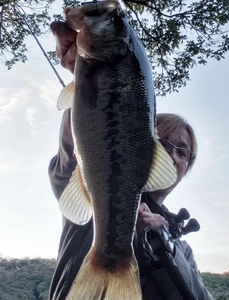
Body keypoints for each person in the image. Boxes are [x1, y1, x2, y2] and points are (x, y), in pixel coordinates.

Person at [48, 20, 213, 300]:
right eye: (162, 143)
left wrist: (164, 245)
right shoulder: (93, 203)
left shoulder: (181, 249)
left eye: (183, 151)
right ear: (140, 143)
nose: (172, 155)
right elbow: (73, 156)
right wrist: (86, 77)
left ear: (187, 168)